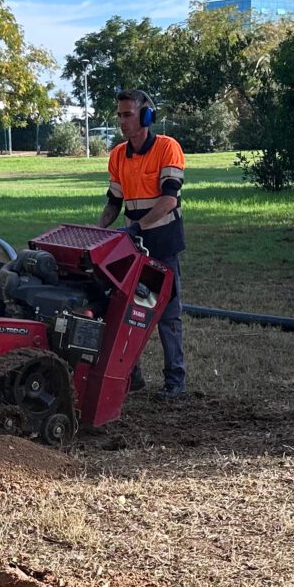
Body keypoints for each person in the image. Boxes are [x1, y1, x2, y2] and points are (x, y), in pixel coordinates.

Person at [97, 90, 186, 396]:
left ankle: (175, 382)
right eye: (119, 115)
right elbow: (113, 203)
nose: (122, 121)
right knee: (125, 312)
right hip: (132, 242)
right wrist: (98, 231)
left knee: (168, 316)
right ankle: (131, 377)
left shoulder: (167, 148)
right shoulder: (118, 155)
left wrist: (138, 227)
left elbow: (169, 199)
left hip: (162, 240)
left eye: (128, 114)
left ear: (147, 116)